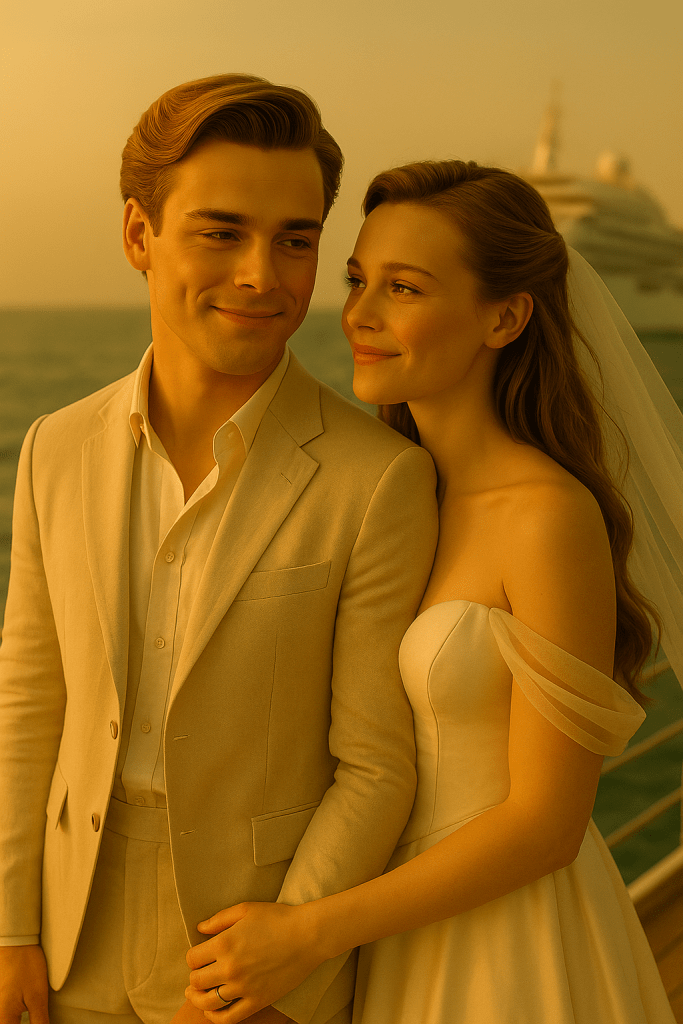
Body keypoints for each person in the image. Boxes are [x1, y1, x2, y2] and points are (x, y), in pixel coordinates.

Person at [181, 160, 679, 1023]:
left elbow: (545, 825)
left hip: (504, 945)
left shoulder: (546, 516)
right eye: (356, 280)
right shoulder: (390, 495)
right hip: (389, 928)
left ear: (505, 316)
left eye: (403, 288)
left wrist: (303, 934)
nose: (361, 316)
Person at [0, 78, 439, 1024]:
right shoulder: (53, 447)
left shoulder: (377, 478)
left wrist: (279, 956)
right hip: (63, 939)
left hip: (258, 956)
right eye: (220, 231)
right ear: (137, 236)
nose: (261, 275)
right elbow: (30, 699)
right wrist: (8, 930)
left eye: (295, 239)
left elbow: (375, 764)